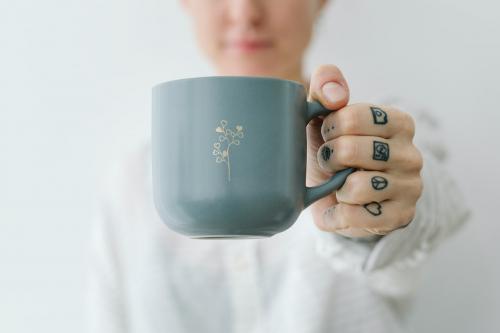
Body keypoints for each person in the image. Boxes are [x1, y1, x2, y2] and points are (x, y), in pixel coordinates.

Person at [85, 0, 471, 332]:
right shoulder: (131, 185)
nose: (245, 12)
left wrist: (372, 211)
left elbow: (427, 208)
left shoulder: (374, 136)